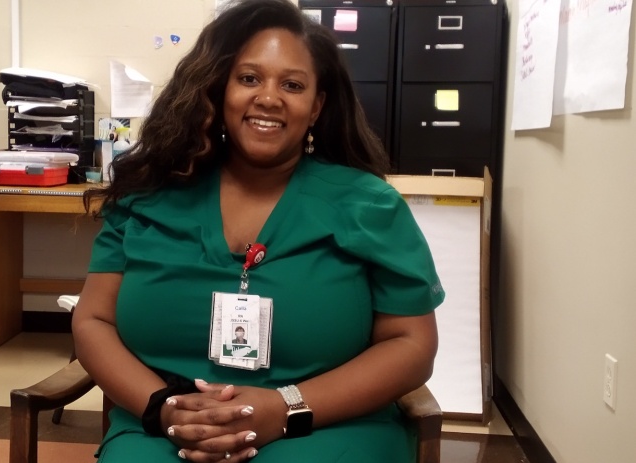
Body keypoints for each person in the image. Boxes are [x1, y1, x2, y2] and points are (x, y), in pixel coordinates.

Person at [73, 0, 444, 462]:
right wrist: (164, 410)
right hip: (165, 431)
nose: (268, 97)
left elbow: (411, 345)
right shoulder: (145, 196)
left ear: (316, 106)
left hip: (322, 428)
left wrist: (285, 408)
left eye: (292, 84)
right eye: (249, 78)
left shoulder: (368, 205)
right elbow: (93, 321)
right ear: (218, 90)